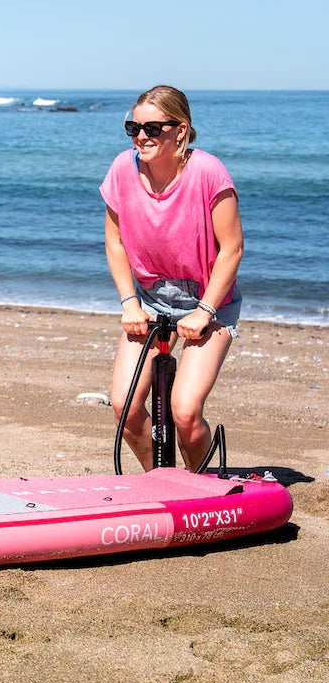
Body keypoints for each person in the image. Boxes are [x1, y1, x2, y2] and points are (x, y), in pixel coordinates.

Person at [100, 85, 244, 471]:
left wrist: (205, 310)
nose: (141, 137)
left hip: (207, 301)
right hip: (148, 301)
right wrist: (130, 302)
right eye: (133, 128)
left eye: (152, 128)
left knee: (184, 412)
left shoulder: (208, 171)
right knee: (125, 408)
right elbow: (114, 243)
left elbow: (231, 248)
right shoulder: (122, 169)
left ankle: (202, 491)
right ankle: (160, 482)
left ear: (180, 130)